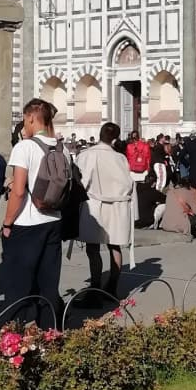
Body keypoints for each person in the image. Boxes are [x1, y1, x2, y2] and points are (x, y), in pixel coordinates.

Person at [0, 99, 65, 308]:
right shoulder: (61, 148)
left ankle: (14, 335)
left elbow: (18, 191)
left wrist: (8, 223)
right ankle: (49, 332)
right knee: (48, 284)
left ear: (30, 118)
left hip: (27, 223)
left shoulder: (24, 147)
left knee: (18, 284)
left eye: (24, 120)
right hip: (54, 219)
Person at [78, 122, 134, 297]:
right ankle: (112, 286)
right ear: (115, 138)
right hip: (117, 205)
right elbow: (129, 184)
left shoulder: (86, 155)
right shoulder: (121, 158)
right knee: (114, 246)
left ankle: (94, 288)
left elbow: (82, 182)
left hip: (95, 204)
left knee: (93, 248)